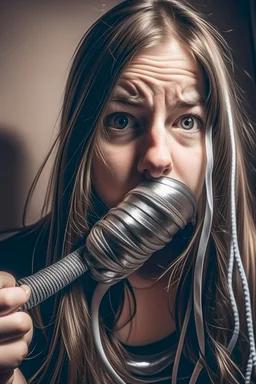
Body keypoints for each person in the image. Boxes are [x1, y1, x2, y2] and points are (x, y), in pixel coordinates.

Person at [0, 0, 255, 383]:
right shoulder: (11, 282)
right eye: (122, 120)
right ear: (83, 142)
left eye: (187, 121)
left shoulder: (247, 283)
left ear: (216, 144)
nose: (156, 157)